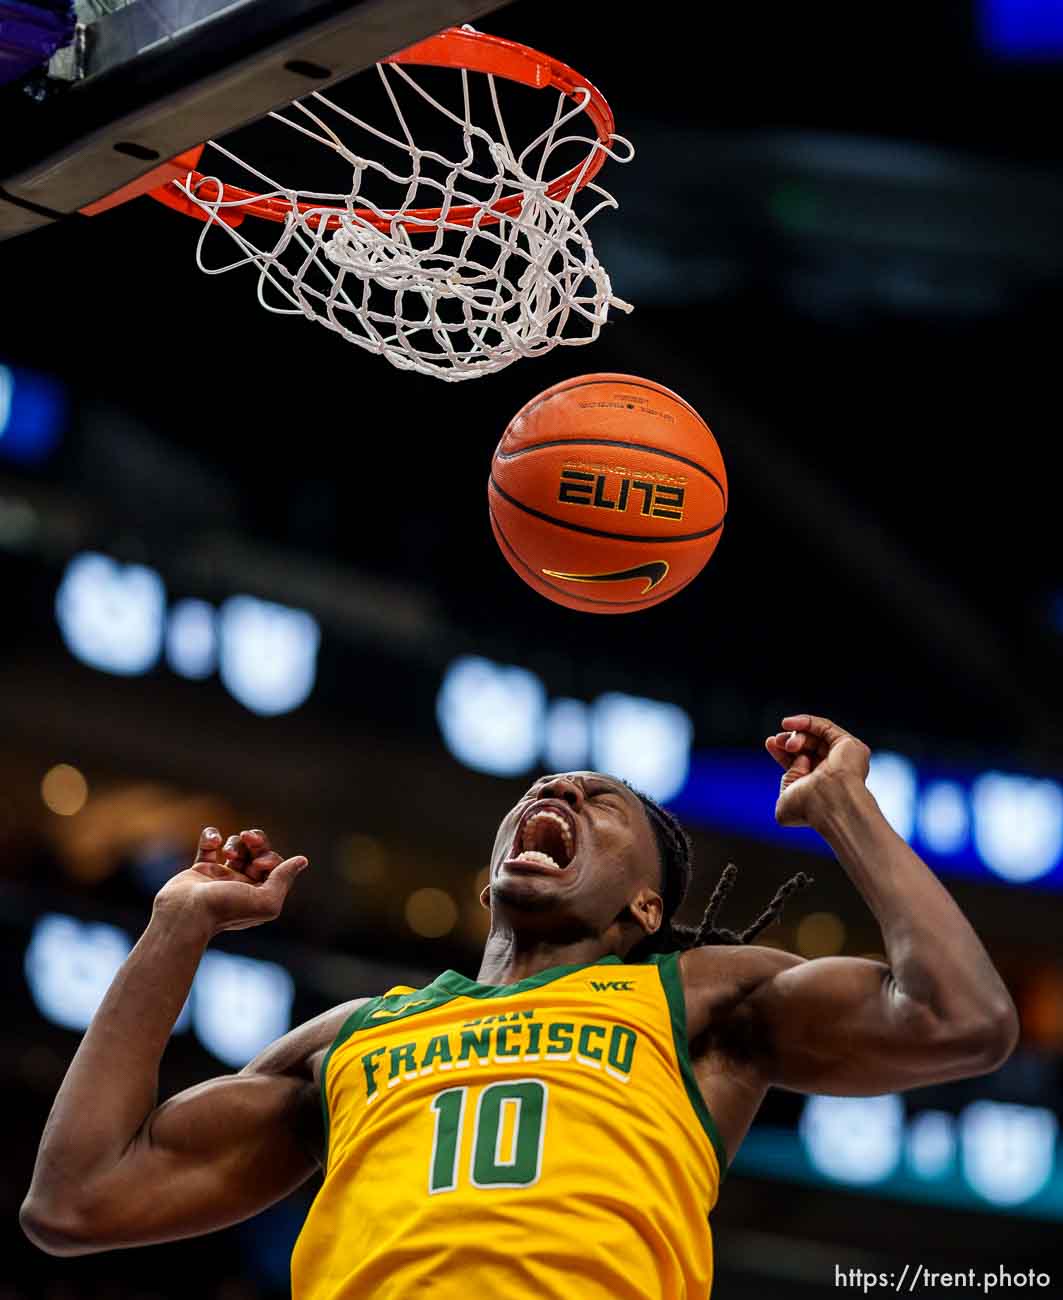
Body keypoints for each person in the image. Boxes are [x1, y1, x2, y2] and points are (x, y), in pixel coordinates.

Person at [21, 714, 1017, 1299]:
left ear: (646, 905)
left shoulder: (694, 995)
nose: (561, 789)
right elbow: (76, 1199)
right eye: (548, 789)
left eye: (601, 801)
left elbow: (959, 1018)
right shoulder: (357, 1036)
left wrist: (845, 810)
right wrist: (175, 928)